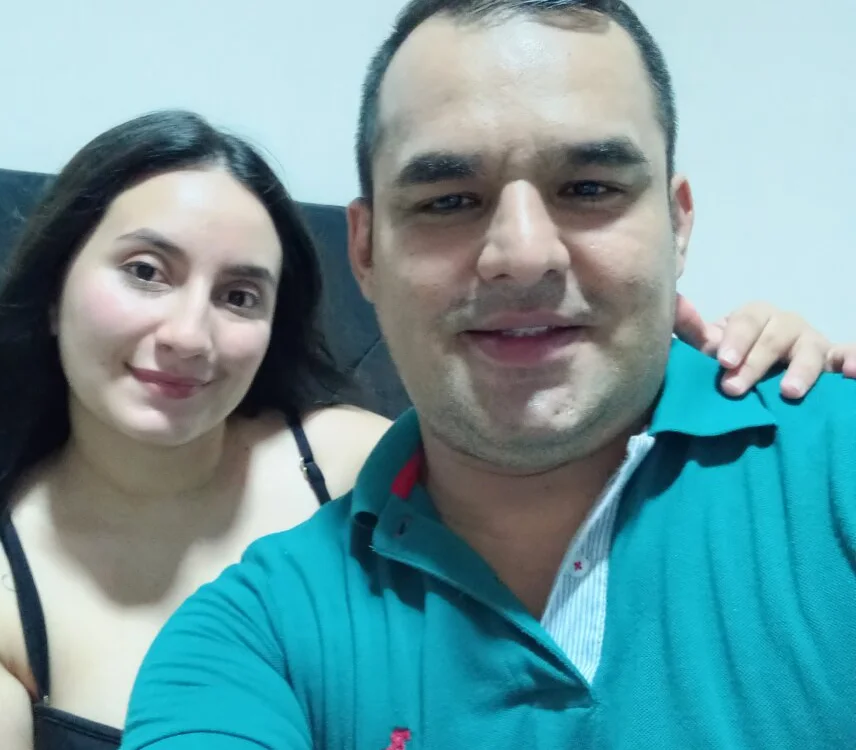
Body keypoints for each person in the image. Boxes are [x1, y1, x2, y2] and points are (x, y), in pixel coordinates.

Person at [0, 78, 849, 750]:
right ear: (55, 288)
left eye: (239, 295)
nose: (189, 335)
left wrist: (755, 368)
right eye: (147, 272)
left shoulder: (348, 462)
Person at [119, 2, 856, 749]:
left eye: (590, 187)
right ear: (365, 252)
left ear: (678, 223)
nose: (523, 256)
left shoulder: (838, 460)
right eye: (448, 201)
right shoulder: (251, 640)